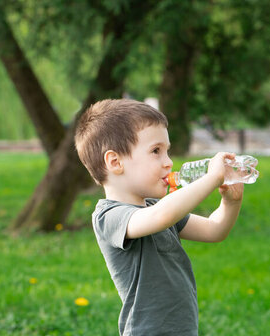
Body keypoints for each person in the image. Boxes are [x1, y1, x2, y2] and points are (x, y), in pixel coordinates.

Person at [74, 98, 244, 336]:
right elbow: (161, 216)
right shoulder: (109, 216)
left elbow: (214, 230)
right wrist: (211, 178)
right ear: (115, 162)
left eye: (167, 151)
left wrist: (230, 202)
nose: (169, 162)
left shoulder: (159, 207)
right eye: (156, 151)